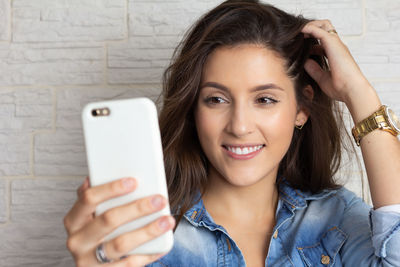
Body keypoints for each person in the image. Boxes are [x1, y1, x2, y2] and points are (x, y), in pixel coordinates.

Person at [63, 0, 400, 266]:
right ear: (194, 110)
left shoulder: (335, 218)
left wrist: (360, 94)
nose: (239, 126)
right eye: (216, 99)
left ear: (301, 109)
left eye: (265, 99)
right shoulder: (145, 235)